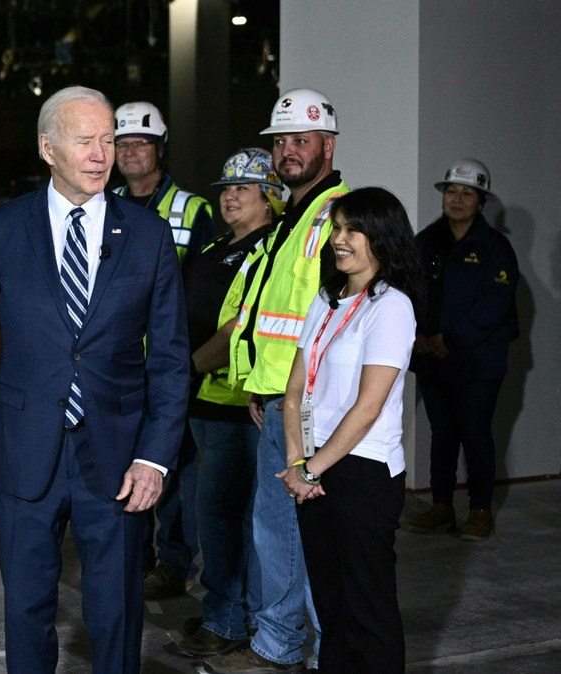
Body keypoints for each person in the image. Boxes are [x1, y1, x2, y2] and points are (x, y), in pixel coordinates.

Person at [0, 85, 189, 673]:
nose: (102, 154)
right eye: (86, 141)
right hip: (25, 453)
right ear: (47, 147)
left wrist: (155, 459)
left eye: (108, 139)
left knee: (117, 610)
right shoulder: (1, 230)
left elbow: (173, 360)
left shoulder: (149, 235)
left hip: (120, 459)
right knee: (26, 606)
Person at [200, 88, 349, 674]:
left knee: (307, 534)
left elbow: (334, 314)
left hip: (305, 406)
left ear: (327, 146)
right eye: (281, 141)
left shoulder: (337, 214)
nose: (288, 151)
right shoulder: (294, 216)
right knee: (278, 535)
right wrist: (265, 387)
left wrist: (291, 394)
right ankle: (278, 645)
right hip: (276, 400)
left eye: (300, 140)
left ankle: (321, 655)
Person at [280, 187, 421, 673]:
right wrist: (298, 462)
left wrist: (312, 469)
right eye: (336, 228)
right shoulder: (327, 299)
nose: (340, 239)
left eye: (351, 229)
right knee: (331, 606)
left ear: (381, 237)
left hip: (364, 473)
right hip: (317, 468)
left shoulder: (392, 307)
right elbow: (295, 390)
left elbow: (368, 406)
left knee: (368, 609)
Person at [169, 148, 283, 659]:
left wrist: (189, 366)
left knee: (223, 513)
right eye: (226, 187)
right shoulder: (220, 245)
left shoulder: (267, 250)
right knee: (216, 513)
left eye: (243, 188)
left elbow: (242, 325)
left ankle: (230, 620)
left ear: (271, 199)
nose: (229, 195)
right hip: (203, 399)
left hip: (236, 401)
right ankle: (229, 610)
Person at [111, 100, 215, 600]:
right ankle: (135, 557)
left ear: (160, 150)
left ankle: (172, 563)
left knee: (169, 468)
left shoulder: (193, 211)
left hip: (169, 365)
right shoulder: (102, 203)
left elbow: (205, 293)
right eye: (123, 144)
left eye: (141, 144)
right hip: (116, 366)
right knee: (118, 461)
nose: (131, 153)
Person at [408, 159, 519, 540]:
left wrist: (446, 339)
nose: (456, 199)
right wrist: (419, 336)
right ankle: (441, 507)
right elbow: (408, 292)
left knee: (475, 433)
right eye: (451, 191)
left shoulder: (495, 248)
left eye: (466, 193)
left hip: (478, 362)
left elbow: (494, 305)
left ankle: (480, 510)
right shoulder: (425, 241)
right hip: (432, 360)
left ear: (480, 201)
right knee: (442, 434)